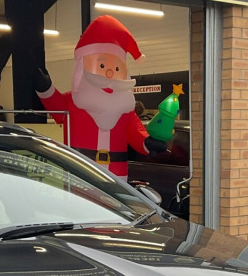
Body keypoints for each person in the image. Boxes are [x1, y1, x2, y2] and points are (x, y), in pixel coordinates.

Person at [35, 15, 166, 177]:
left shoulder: (124, 107)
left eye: (117, 69)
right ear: (83, 66)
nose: (110, 73)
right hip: (81, 172)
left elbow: (135, 131)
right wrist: (46, 88)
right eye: (102, 65)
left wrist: (147, 143)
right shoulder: (75, 101)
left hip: (117, 175)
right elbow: (57, 107)